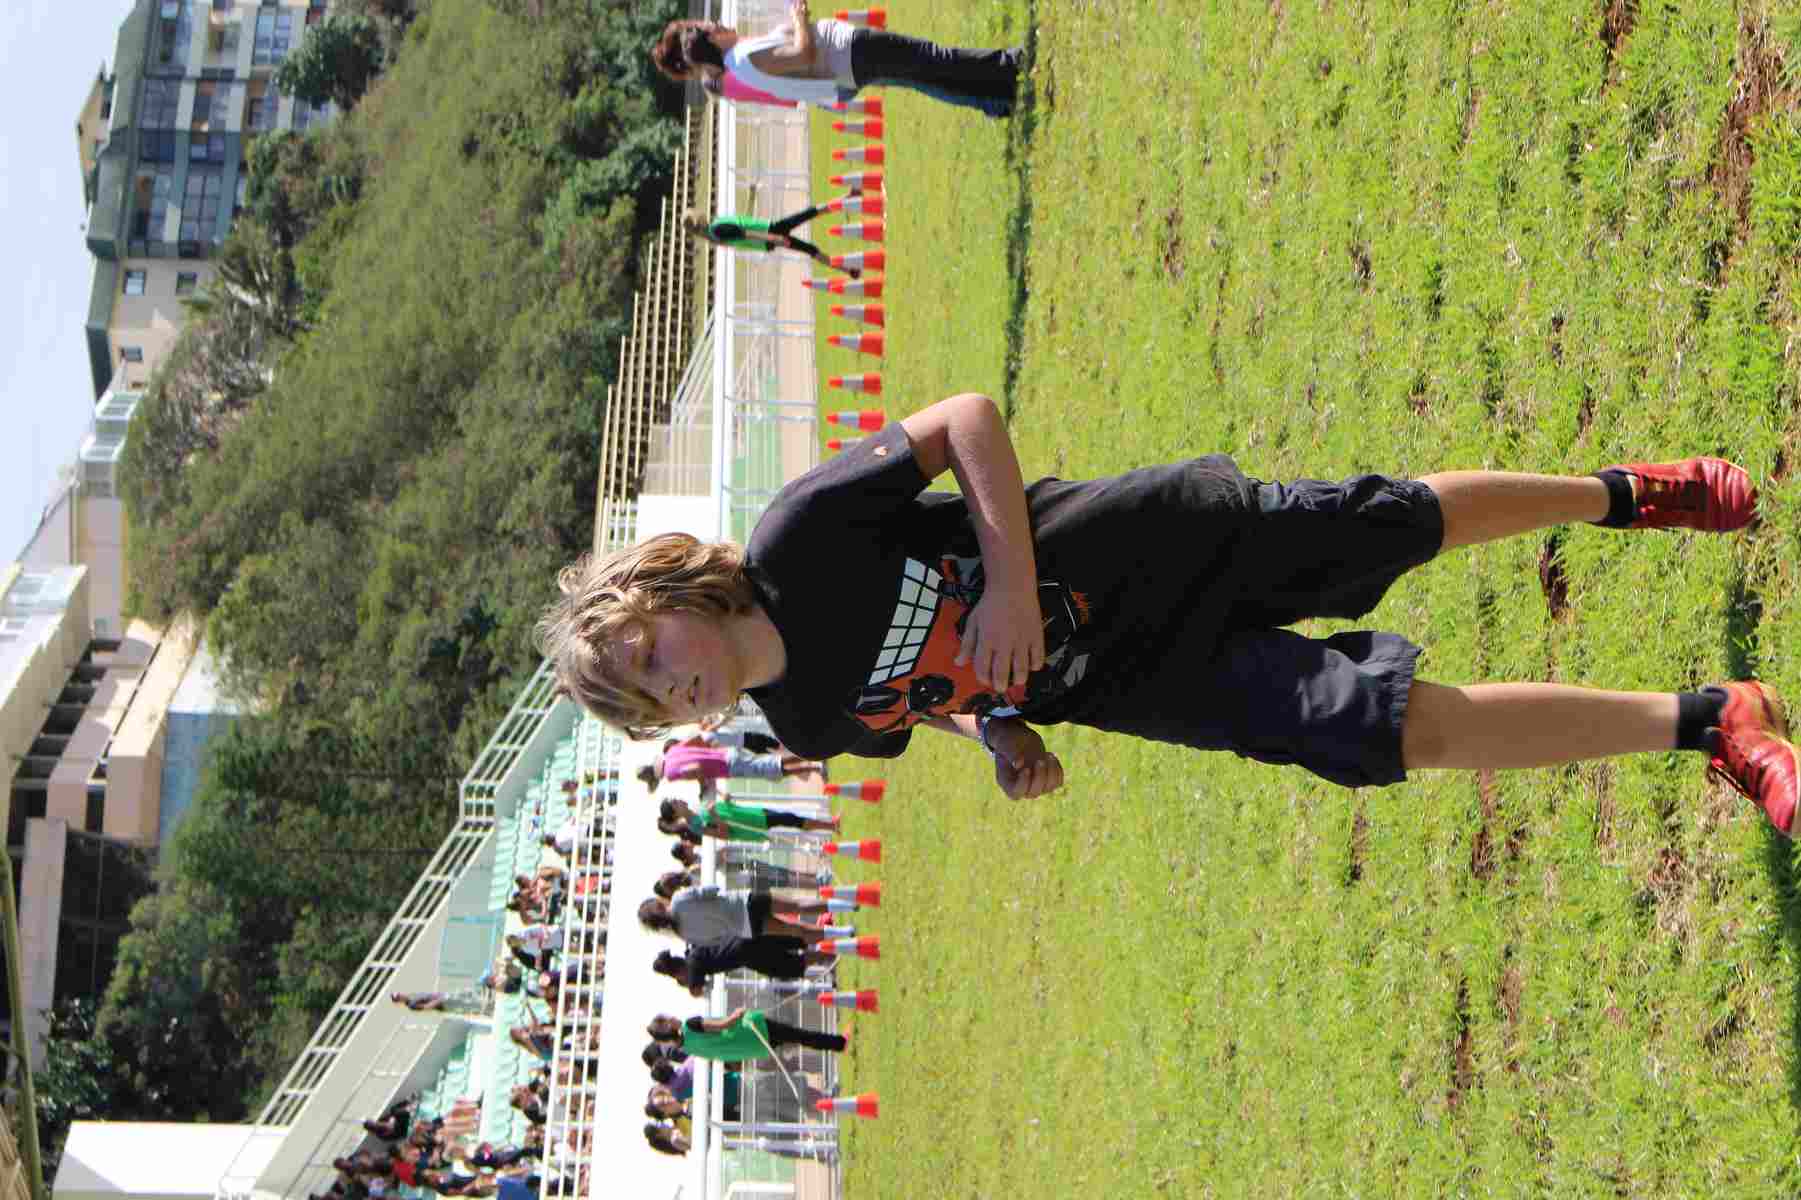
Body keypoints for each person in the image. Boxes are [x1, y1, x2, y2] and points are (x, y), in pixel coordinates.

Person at [537, 391, 1800, 837]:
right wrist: (1000, 735)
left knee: (1392, 526)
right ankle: (1712, 723)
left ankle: (1625, 496)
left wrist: (1011, 584)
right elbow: (922, 706)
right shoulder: (807, 724)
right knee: (1379, 730)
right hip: (1126, 682)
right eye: (650, 699)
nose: (673, 684)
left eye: (650, 651)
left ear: (665, 592)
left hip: (1141, 546)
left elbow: (966, 419)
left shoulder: (796, 538)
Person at [652, 0, 1023, 118]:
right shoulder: (744, 58)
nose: (718, 23)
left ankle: (994, 97)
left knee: (925, 76)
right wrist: (799, 17)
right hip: (851, 54)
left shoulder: (740, 61)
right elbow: (804, 53)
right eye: (712, 26)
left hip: (849, 64)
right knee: (931, 58)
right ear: (711, 39)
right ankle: (1007, 67)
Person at [682, 207, 851, 277]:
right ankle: (844, 202)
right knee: (808, 219)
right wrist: (774, 238)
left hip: (768, 234)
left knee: (810, 247)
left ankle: (848, 270)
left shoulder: (714, 230)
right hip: (769, 233)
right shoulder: (717, 229)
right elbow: (745, 234)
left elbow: (741, 223)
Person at [639, 885, 832, 946]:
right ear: (658, 904)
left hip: (744, 928)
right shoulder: (679, 898)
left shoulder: (683, 935)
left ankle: (837, 936)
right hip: (742, 902)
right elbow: (711, 890)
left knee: (795, 931)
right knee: (797, 906)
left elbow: (717, 940)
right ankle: (840, 904)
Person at [637, 736, 826, 793]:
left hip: (728, 767)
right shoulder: (671, 752)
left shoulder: (671, 774)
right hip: (726, 754)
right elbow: (697, 739)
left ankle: (814, 757)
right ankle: (814, 765)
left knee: (773, 765)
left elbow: (696, 769)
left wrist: (704, 786)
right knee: (773, 768)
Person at [647, 1008, 846, 1061]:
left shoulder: (686, 1048)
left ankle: (836, 1044)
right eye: (668, 1018)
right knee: (799, 1035)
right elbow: (723, 1025)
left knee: (797, 1039)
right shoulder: (690, 1025)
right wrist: (737, 1013)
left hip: (751, 1047)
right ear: (668, 1024)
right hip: (751, 1029)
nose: (672, 1017)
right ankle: (839, 1043)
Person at [660, 796, 838, 842]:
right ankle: (830, 826)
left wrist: (727, 801)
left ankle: (830, 825)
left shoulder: (698, 807)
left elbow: (725, 812)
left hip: (751, 814)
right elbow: (724, 834)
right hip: (752, 826)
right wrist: (715, 816)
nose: (679, 800)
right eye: (675, 803)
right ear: (676, 815)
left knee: (790, 818)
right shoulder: (695, 826)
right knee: (791, 820)